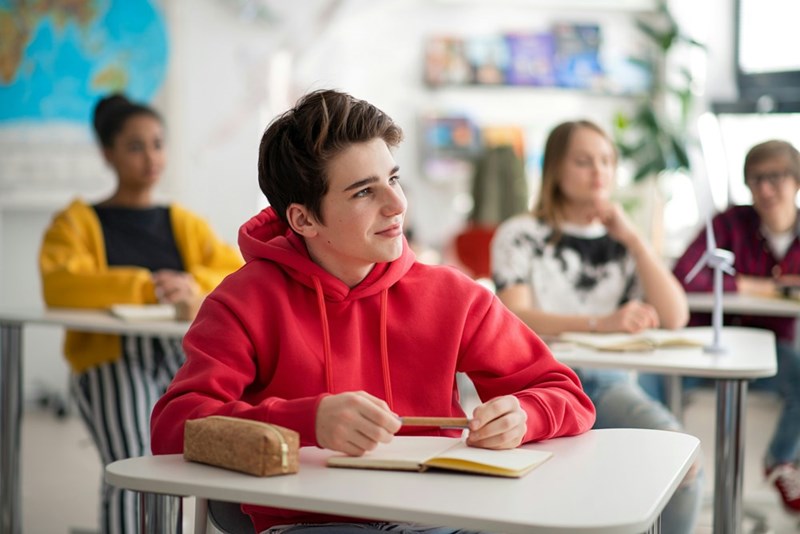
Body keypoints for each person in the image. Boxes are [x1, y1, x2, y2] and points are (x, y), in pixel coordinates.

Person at [150, 89, 596, 533]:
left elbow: (567, 394)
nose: (397, 205)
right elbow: (173, 427)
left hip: (438, 518)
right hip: (312, 526)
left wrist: (525, 416)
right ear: (304, 220)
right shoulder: (243, 301)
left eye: (394, 179)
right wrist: (307, 421)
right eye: (364, 192)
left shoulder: (453, 296)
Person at [39, 94, 243, 533]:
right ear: (108, 153)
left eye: (157, 143)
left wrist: (191, 284)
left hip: (181, 354)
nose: (150, 157)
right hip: (111, 358)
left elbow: (234, 271)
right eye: (135, 146)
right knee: (133, 466)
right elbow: (60, 285)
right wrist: (148, 286)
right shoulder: (76, 222)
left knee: (193, 466)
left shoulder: (183, 222)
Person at [490, 119, 702, 534]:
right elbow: (517, 315)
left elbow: (676, 315)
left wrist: (635, 240)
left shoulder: (622, 239)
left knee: (685, 459)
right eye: (584, 161)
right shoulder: (520, 234)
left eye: (607, 161)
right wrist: (602, 323)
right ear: (555, 169)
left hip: (610, 382)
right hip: (542, 382)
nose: (599, 172)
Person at [673, 139, 800, 512]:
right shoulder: (728, 224)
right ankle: (667, 475)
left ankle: (779, 461)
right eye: (756, 179)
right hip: (708, 346)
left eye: (775, 177)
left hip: (769, 349)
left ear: (796, 181)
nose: (764, 188)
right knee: (651, 385)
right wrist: (760, 286)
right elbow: (683, 277)